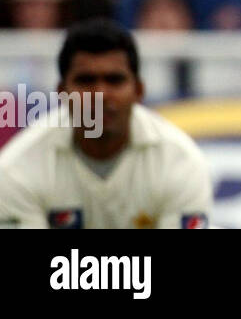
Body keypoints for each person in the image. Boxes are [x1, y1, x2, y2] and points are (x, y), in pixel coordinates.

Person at [0, 18, 213, 228]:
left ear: (138, 91)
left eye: (114, 80)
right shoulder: (18, 167)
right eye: (86, 81)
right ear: (62, 93)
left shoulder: (179, 162)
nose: (100, 94)